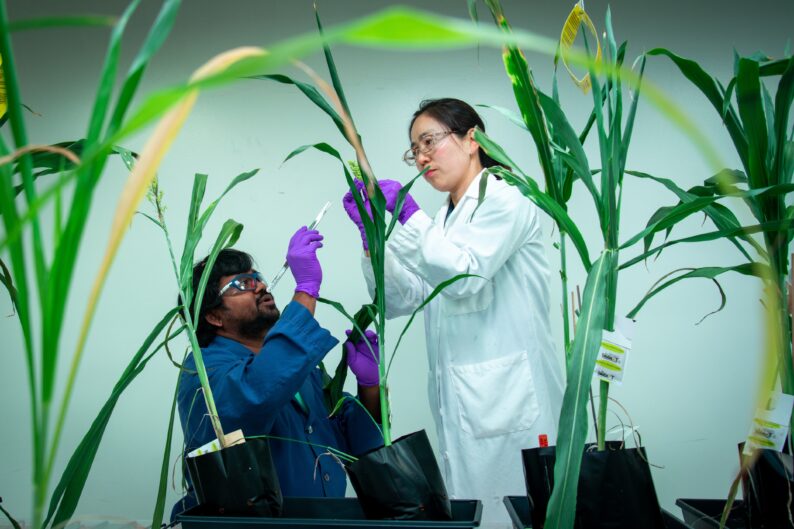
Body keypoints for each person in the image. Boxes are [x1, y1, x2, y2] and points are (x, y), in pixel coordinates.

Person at [342, 98, 563, 528]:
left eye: (430, 142)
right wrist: (373, 238)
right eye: (414, 150)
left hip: (509, 402)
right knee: (476, 511)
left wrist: (407, 215)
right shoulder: (443, 221)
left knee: (518, 515)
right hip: (466, 402)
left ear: (471, 139)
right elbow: (401, 298)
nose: (422, 157)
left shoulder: (507, 200)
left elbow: (463, 278)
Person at [171, 226, 384, 518]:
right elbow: (255, 396)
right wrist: (306, 290)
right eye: (242, 284)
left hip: (319, 520)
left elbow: (354, 442)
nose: (260, 286)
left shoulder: (298, 368)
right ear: (213, 316)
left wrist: (369, 384)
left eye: (257, 277)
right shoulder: (203, 372)